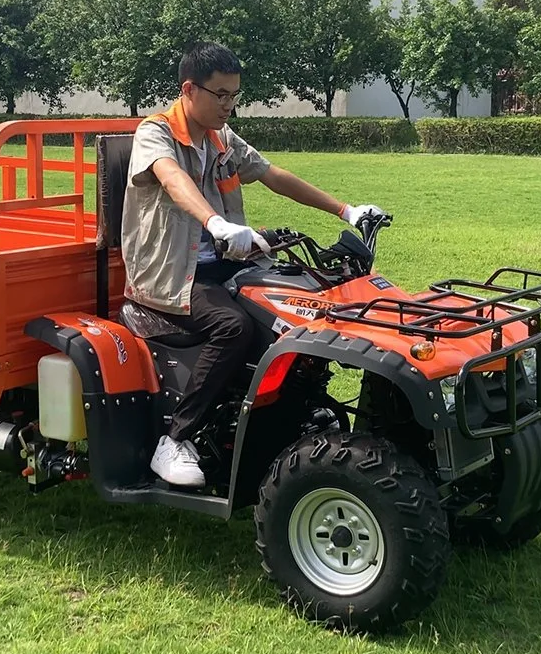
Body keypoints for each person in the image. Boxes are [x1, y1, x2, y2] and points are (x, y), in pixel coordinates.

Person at [121, 42, 385, 486]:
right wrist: (216, 222)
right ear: (190, 89)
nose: (229, 105)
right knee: (233, 327)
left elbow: (272, 174)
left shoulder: (220, 138)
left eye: (234, 95)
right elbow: (173, 178)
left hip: (225, 264)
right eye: (220, 94)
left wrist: (346, 210)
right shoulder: (156, 133)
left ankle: (288, 416)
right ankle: (176, 440)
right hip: (170, 277)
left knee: (307, 303)